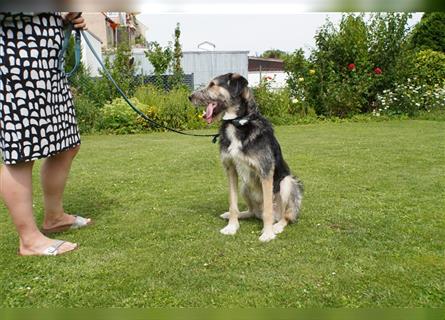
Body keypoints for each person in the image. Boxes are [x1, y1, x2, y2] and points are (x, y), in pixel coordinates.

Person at [0, 12, 92, 256]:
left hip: (49, 68)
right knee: (21, 151)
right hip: (17, 63)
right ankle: (29, 240)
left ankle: (55, 216)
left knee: (67, 144)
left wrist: (64, 19)